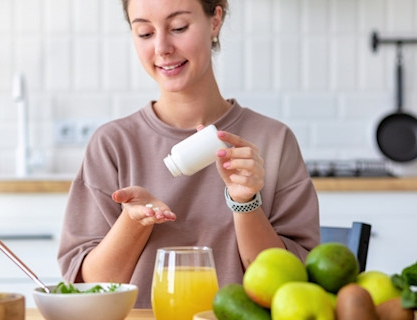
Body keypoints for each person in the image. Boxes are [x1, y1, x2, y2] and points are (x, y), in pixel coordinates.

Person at [58, 0, 319, 308]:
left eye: (178, 27)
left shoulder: (272, 141)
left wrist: (245, 203)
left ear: (215, 21)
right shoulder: (113, 144)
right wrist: (134, 222)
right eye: (144, 32)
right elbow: (88, 289)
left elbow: (293, 286)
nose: (162, 47)